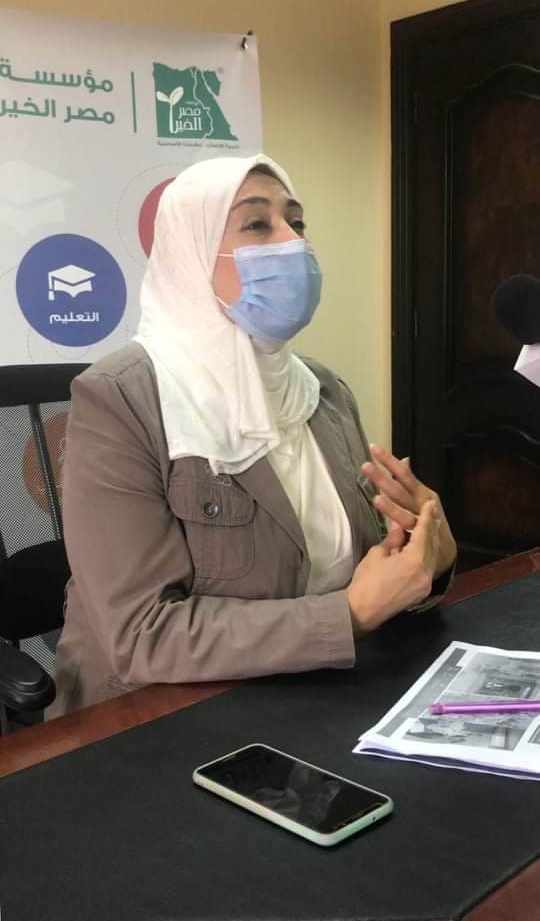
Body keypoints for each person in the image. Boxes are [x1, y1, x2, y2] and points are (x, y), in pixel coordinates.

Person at [49, 154, 456, 717]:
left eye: (297, 221)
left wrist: (426, 558)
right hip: (158, 716)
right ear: (191, 255)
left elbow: (365, 568)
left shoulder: (321, 389)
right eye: (258, 224)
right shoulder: (119, 400)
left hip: (318, 691)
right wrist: (349, 615)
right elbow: (141, 634)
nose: (293, 242)